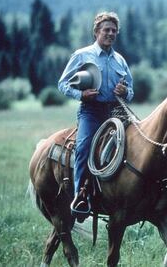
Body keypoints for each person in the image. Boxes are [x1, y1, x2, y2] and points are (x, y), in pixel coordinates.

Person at [58, 12, 134, 220]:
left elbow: (131, 91)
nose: (110, 34)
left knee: (136, 148)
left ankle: (127, 193)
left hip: (116, 113)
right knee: (83, 147)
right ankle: (80, 197)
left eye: (113, 31)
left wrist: (124, 92)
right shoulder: (82, 55)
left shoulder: (120, 60)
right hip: (91, 112)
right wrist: (81, 94)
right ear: (96, 32)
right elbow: (63, 84)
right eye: (106, 30)